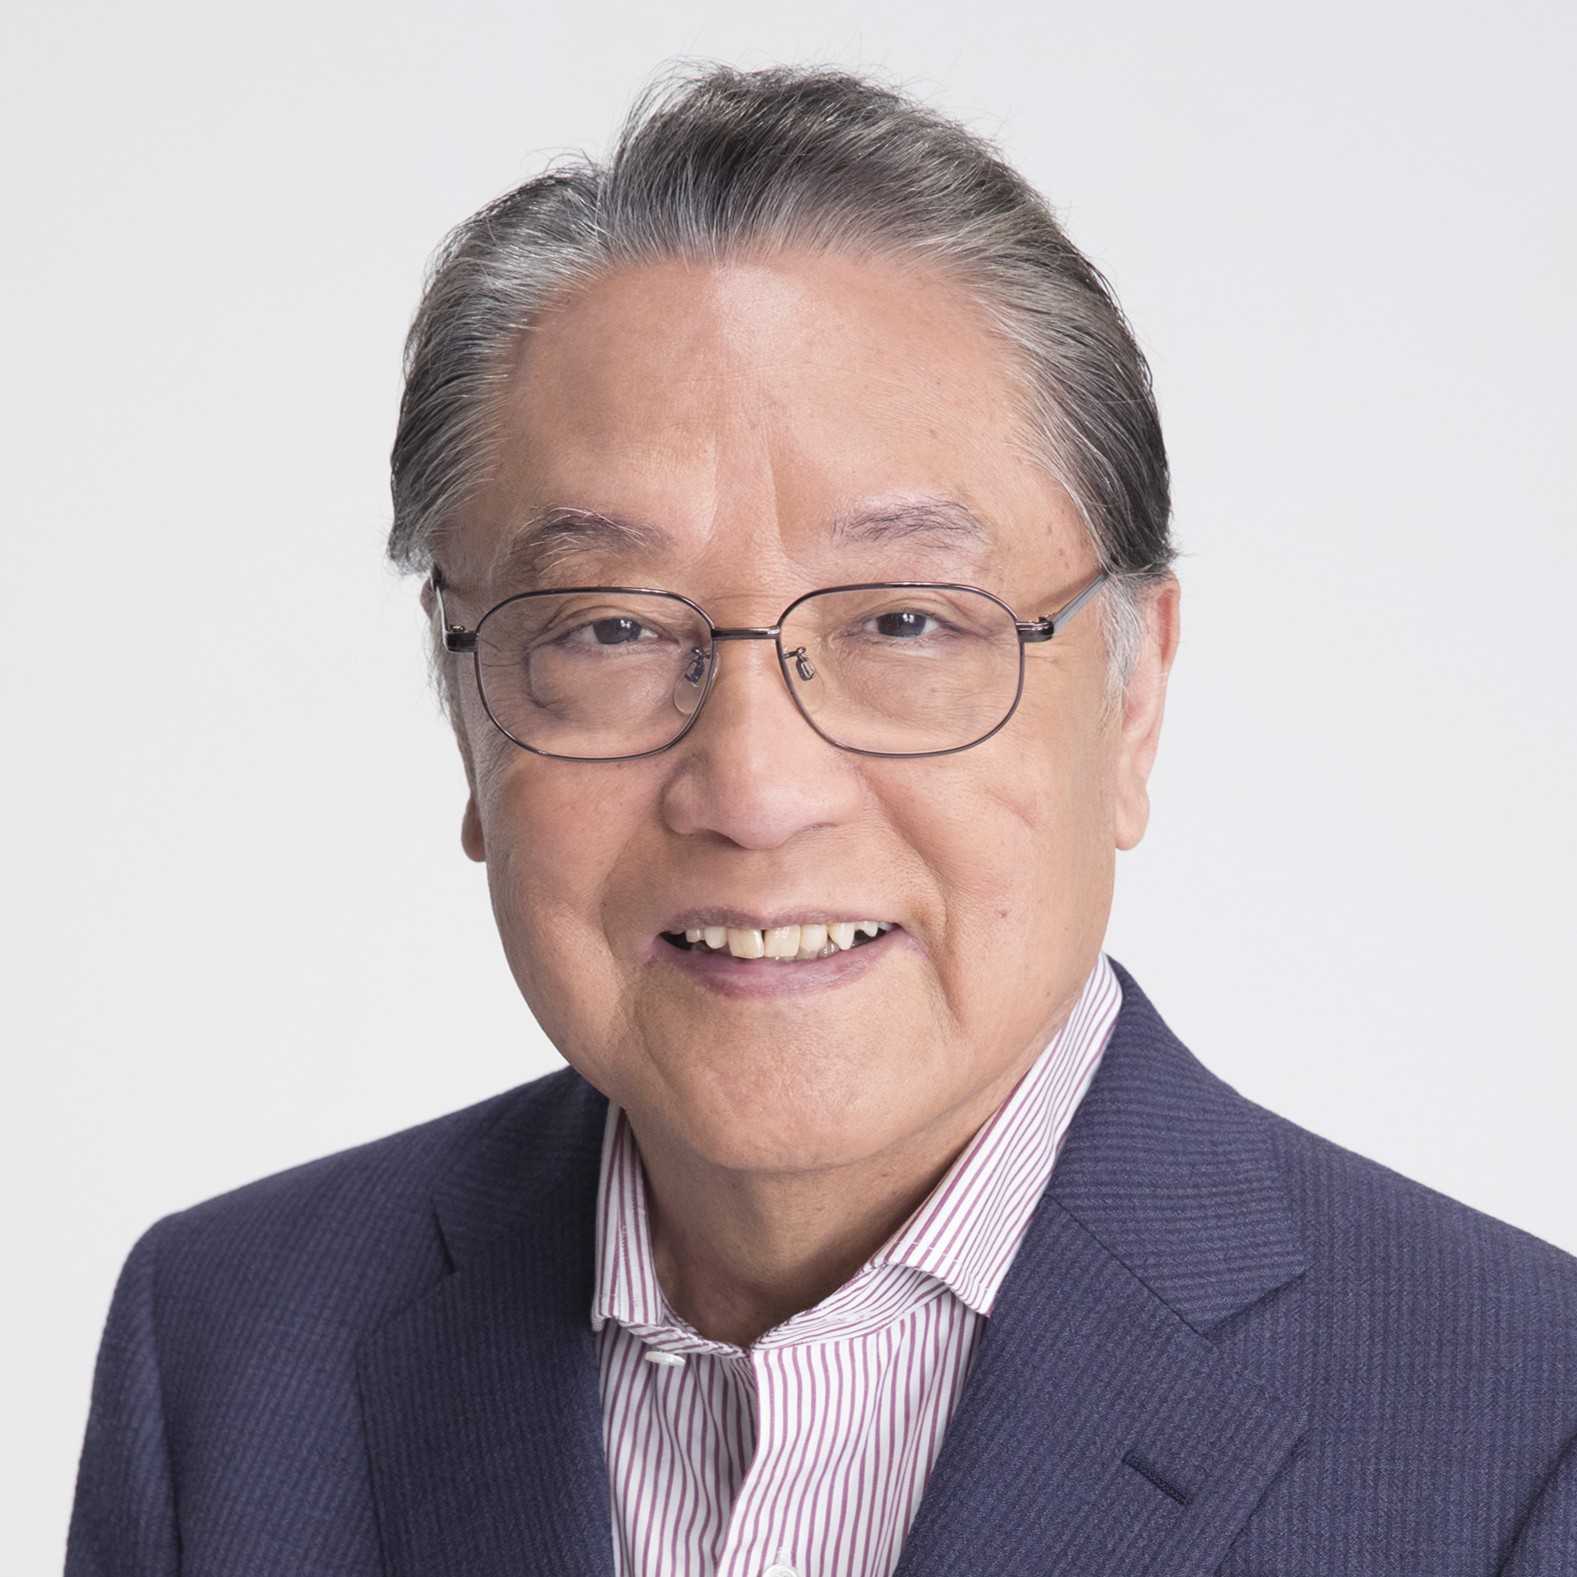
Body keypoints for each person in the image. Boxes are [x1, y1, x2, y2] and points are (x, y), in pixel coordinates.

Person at [66, 61, 1576, 1577]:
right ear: (469, 711)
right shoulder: (227, 1352)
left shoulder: (1522, 1431)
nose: (754, 789)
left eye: (905, 622)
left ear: (1132, 698)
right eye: (609, 628)